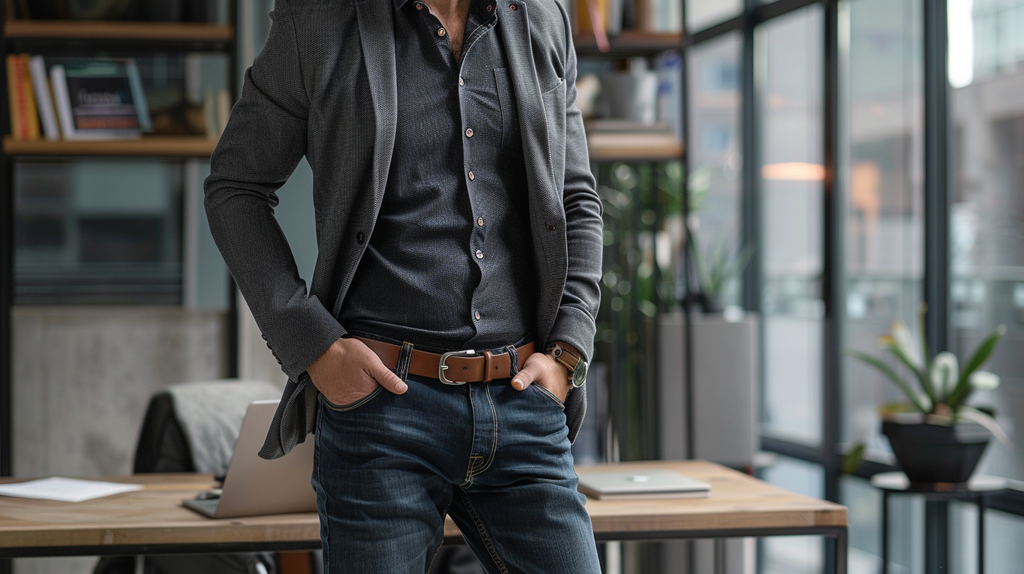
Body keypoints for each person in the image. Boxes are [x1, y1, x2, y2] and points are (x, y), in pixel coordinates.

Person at [204, 0, 603, 571]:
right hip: (382, 413)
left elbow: (576, 199)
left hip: (522, 400)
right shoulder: (315, 21)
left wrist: (568, 350)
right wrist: (313, 345)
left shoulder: (542, 15)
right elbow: (235, 187)